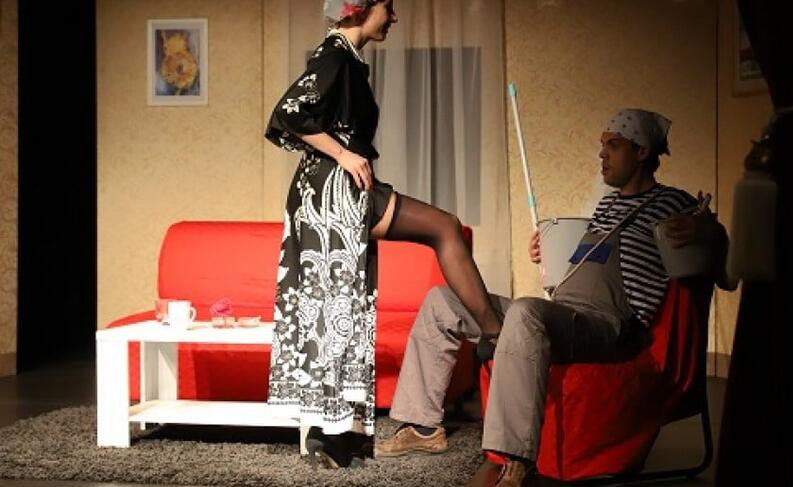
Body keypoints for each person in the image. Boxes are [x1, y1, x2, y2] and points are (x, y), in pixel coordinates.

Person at [375, 108, 733, 486]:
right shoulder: (607, 205)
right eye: (602, 146)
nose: (602, 154)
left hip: (613, 325)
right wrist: (550, 254)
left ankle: (515, 459)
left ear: (642, 151)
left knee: (525, 312)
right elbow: (586, 270)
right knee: (443, 301)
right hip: (570, 312)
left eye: (613, 146)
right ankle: (422, 427)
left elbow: (727, 275)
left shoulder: (674, 204)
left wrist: (706, 231)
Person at [263, 0, 503, 469]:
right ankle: (493, 333)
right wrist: (344, 155)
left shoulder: (345, 57)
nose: (394, 17)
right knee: (435, 234)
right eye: (388, 7)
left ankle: (337, 434)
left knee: (342, 303)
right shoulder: (334, 55)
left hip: (335, 191)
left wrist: (346, 157)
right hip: (333, 193)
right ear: (360, 8)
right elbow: (288, 113)